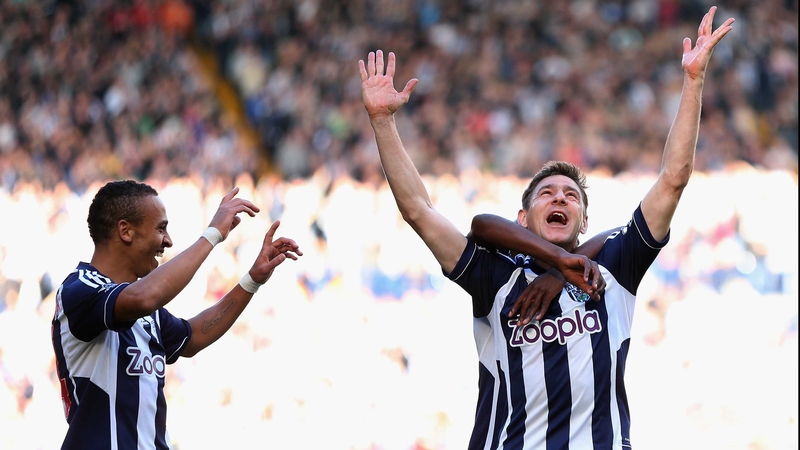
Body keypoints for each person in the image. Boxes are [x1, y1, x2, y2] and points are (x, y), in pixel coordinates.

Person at [359, 5, 733, 449]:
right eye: (547, 193)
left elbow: (673, 178)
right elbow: (419, 210)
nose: (560, 197)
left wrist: (693, 83)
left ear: (584, 220)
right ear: (523, 218)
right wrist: (383, 123)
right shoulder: (493, 275)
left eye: (571, 195)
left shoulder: (615, 263)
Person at [51, 180, 302, 450]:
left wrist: (251, 281)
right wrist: (212, 235)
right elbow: (145, 298)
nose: (168, 241)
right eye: (161, 229)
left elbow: (194, 336)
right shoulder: (80, 290)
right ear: (125, 231)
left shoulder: (145, 312)